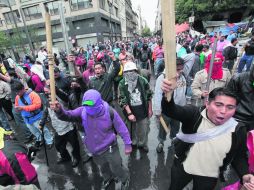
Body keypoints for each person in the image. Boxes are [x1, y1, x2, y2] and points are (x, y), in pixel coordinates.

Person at [161, 83, 254, 190]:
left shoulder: (238, 129)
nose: (223, 111)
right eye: (218, 105)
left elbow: (239, 155)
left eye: (230, 107)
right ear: (207, 104)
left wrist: (244, 174)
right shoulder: (194, 114)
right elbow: (171, 110)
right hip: (183, 167)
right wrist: (168, 93)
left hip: (209, 175)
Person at [50, 89, 131, 189]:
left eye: (91, 105)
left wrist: (128, 144)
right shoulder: (82, 111)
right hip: (95, 150)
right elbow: (67, 116)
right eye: (86, 105)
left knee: (116, 167)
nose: (88, 108)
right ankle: (108, 178)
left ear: (98, 103)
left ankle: (124, 179)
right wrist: (59, 111)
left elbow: (121, 128)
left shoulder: (110, 112)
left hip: (110, 148)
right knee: (103, 167)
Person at [40, 86, 81, 167]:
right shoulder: (47, 101)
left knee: (74, 144)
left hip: (68, 127)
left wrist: (56, 89)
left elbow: (65, 97)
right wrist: (41, 123)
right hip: (58, 129)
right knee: (58, 145)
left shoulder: (61, 98)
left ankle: (77, 158)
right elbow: (46, 111)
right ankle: (65, 157)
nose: (46, 93)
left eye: (48, 91)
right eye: (44, 91)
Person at [118, 61, 153, 152]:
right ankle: (133, 143)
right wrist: (129, 113)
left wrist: (150, 109)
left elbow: (149, 95)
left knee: (144, 129)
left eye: (132, 71)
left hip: (143, 111)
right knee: (130, 130)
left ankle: (143, 144)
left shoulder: (142, 80)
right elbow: (122, 99)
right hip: (130, 112)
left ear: (136, 71)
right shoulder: (122, 84)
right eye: (127, 71)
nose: (130, 73)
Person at [154, 58, 186, 153]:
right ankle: (161, 142)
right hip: (166, 110)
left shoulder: (182, 77)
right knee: (163, 128)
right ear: (171, 68)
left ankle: (173, 140)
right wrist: (157, 111)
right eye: (178, 69)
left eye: (181, 69)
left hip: (178, 109)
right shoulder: (163, 78)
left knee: (175, 127)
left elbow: (182, 92)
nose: (180, 71)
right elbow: (157, 94)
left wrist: (182, 108)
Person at [13, 80, 53, 148]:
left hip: (37, 117)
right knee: (34, 132)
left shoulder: (32, 94)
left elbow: (37, 105)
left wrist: (23, 108)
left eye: (18, 91)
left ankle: (49, 141)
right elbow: (17, 105)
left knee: (43, 130)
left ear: (23, 88)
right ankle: (40, 140)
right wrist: (16, 108)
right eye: (16, 92)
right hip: (27, 119)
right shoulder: (17, 97)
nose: (17, 93)